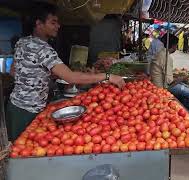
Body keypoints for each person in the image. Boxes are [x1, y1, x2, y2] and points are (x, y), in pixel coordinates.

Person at [6, 3, 125, 141]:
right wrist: (108, 76)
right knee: (23, 153)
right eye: (53, 22)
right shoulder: (44, 50)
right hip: (28, 111)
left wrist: (41, 76)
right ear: (39, 24)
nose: (58, 26)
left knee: (17, 150)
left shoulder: (22, 42)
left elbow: (13, 71)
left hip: (14, 106)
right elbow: (71, 78)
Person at [150, 33, 189, 115]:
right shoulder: (166, 57)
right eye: (176, 45)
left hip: (158, 82)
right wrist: (181, 79)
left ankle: (183, 108)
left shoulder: (161, 52)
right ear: (174, 46)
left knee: (185, 87)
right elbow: (169, 81)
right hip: (162, 87)